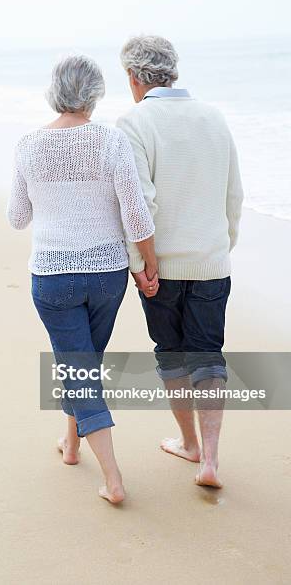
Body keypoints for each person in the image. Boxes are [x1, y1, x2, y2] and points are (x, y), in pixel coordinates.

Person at [7, 55, 157, 503]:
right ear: (94, 94)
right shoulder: (110, 142)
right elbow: (136, 214)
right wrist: (148, 265)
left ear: (55, 92)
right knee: (83, 363)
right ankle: (71, 445)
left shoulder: (28, 145)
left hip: (53, 277)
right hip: (107, 275)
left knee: (79, 370)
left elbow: (17, 218)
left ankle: (113, 479)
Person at [117, 35, 244, 488]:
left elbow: (138, 205)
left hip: (162, 268)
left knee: (171, 355)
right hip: (211, 262)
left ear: (133, 78)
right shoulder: (214, 117)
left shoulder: (134, 121)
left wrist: (140, 264)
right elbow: (234, 195)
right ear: (172, 70)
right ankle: (209, 459)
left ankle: (188, 443)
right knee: (208, 355)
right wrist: (220, 247)